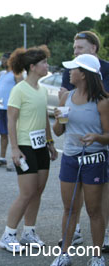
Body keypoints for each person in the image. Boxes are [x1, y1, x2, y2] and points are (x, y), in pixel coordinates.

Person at [50, 54, 109, 266]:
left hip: (94, 160)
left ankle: (96, 256)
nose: (69, 72)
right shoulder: (66, 97)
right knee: (69, 209)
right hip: (70, 158)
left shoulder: (102, 102)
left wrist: (96, 137)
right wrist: (58, 119)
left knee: (94, 211)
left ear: (83, 74)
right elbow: (58, 132)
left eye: (73, 69)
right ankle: (64, 254)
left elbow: (108, 135)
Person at [0, 45, 58, 253]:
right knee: (27, 192)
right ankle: (8, 235)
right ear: (33, 67)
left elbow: (44, 119)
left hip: (41, 146)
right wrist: (14, 149)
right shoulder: (19, 90)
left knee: (38, 191)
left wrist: (50, 143)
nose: (46, 65)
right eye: (43, 62)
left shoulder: (41, 90)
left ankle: (29, 232)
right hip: (24, 146)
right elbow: (11, 120)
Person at [0, 53, 23, 171]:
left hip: (11, 108)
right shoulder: (2, 74)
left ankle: (18, 161)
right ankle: (2, 158)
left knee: (15, 134)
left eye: (4, 60)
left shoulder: (16, 73)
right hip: (1, 108)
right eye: (2, 60)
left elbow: (21, 88)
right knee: (3, 134)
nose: (2, 62)